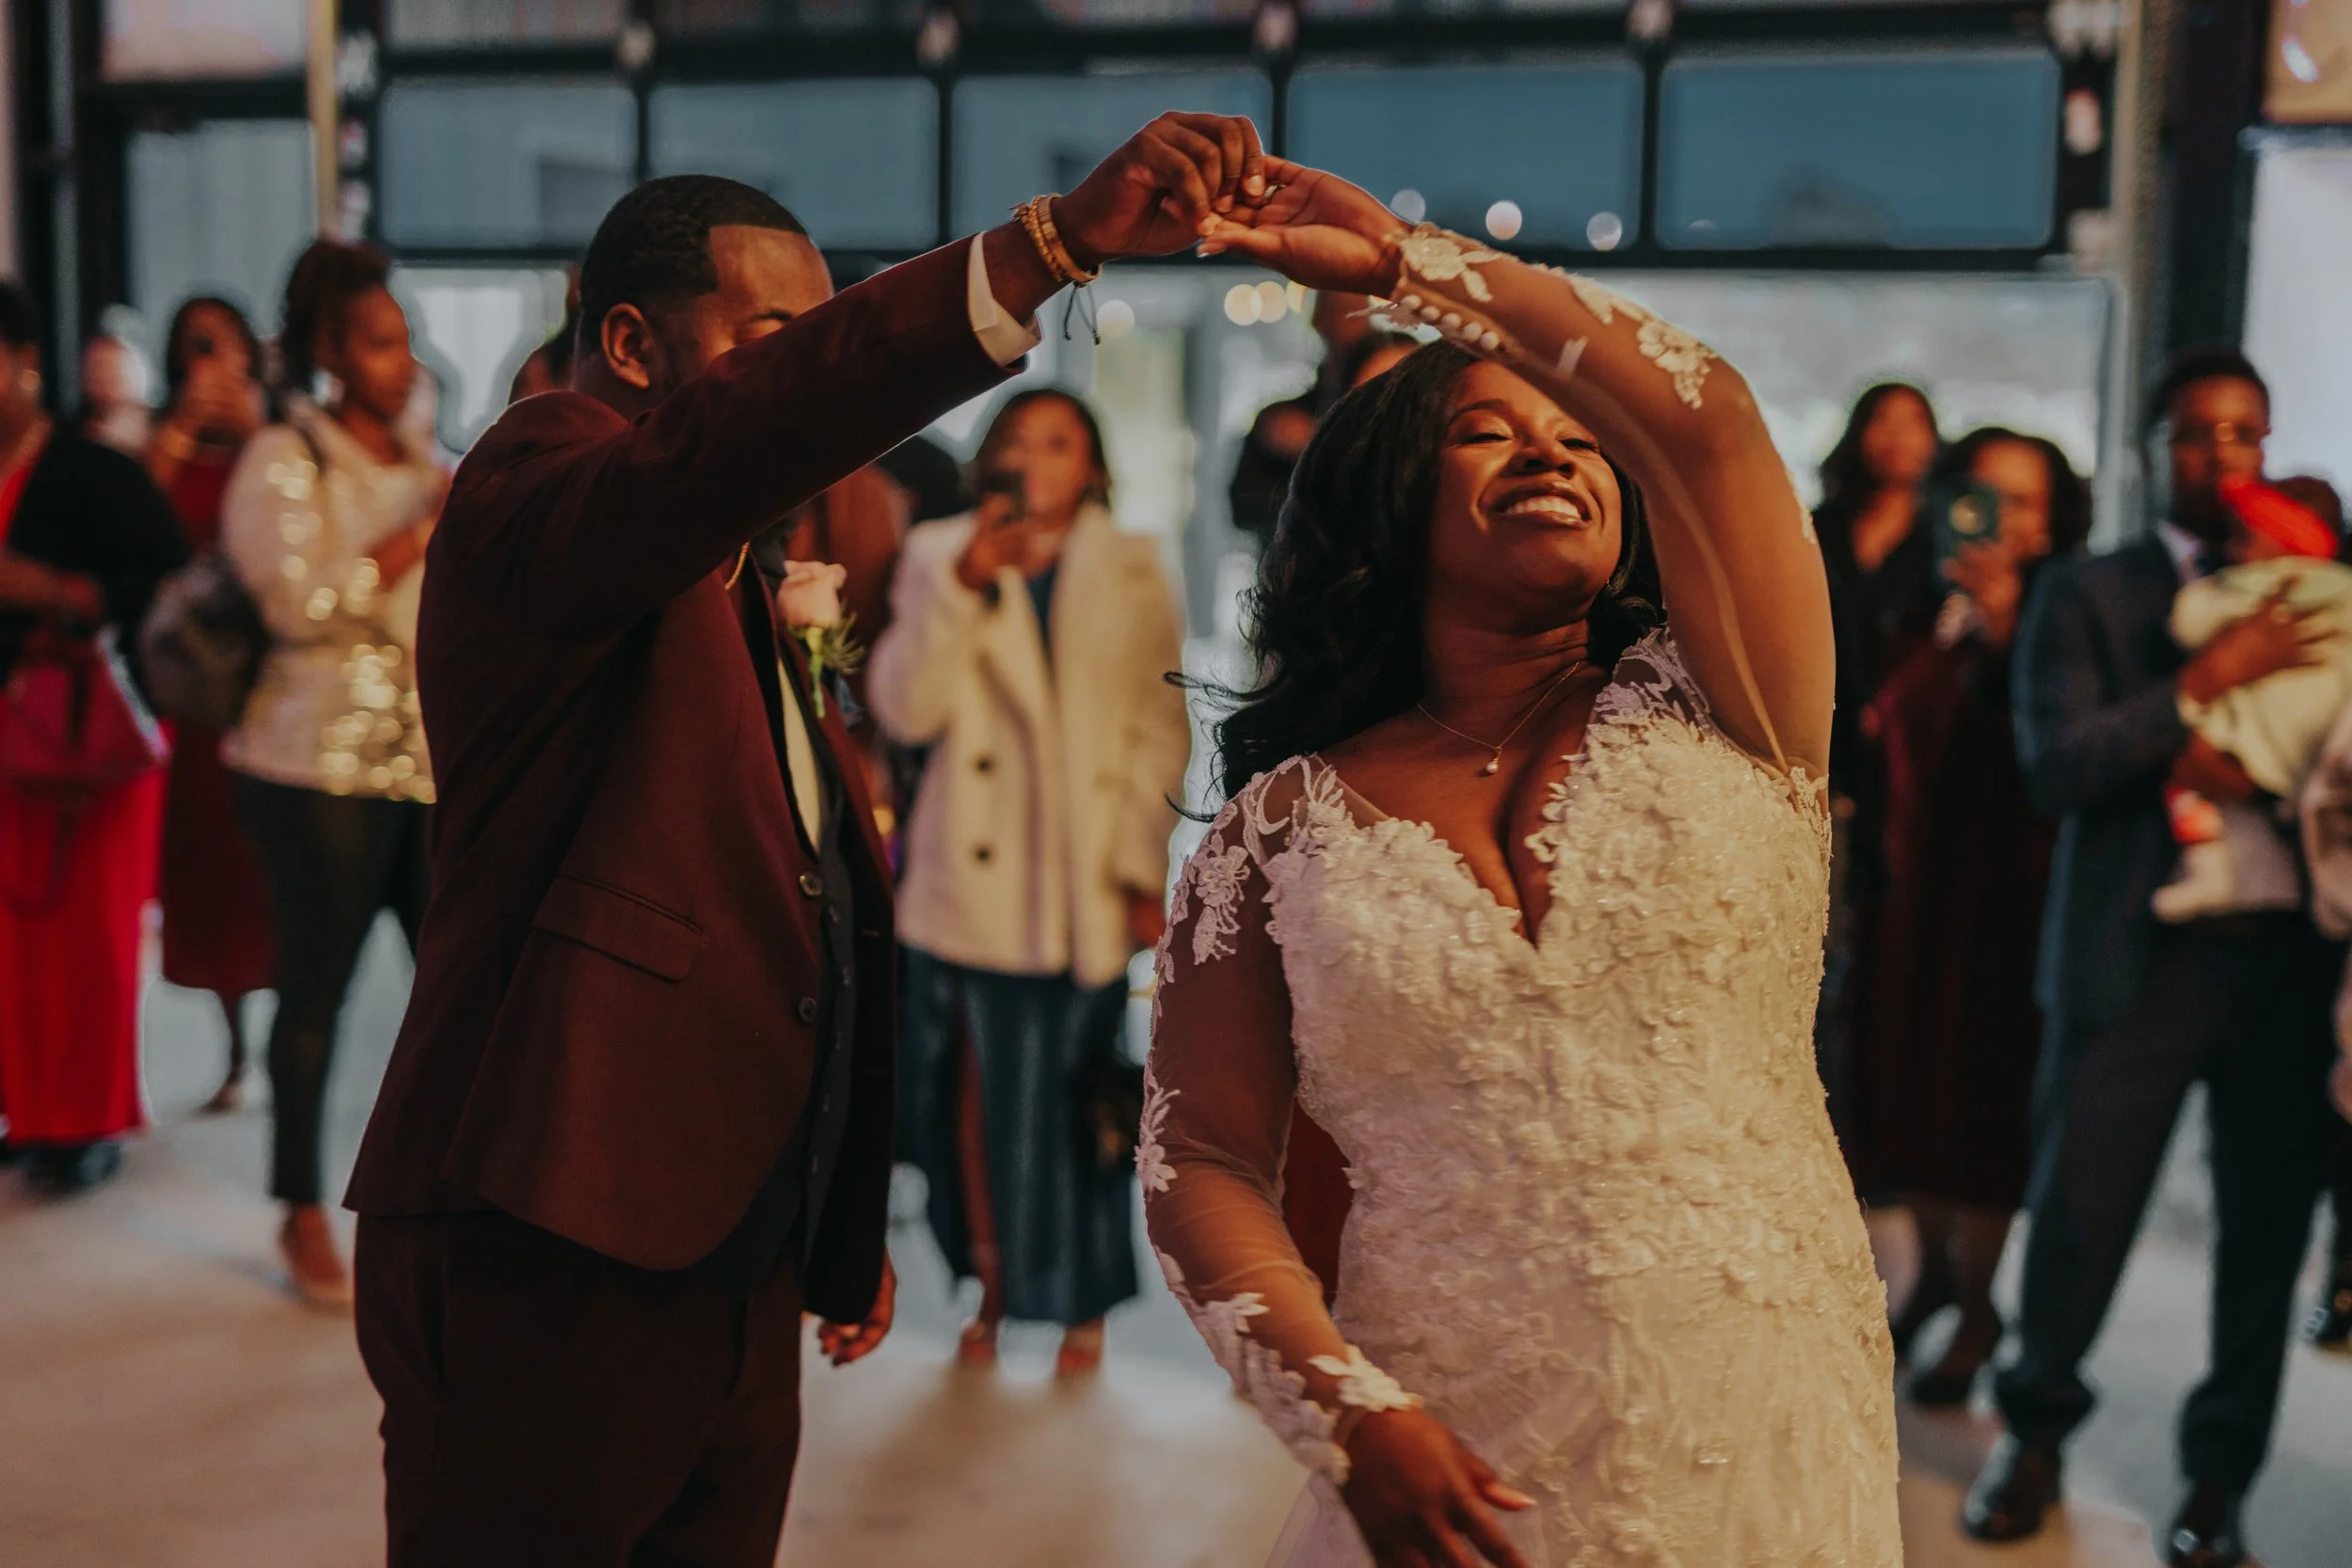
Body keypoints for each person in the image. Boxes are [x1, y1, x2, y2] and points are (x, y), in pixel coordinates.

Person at [342, 117, 1273, 1567]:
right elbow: (742, 437)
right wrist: (1046, 250)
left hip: (717, 1239)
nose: (803, 376)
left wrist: (826, 1220)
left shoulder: (731, 563)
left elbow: (790, 895)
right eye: (773, 339)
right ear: (636, 346)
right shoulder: (540, 474)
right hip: (547, 1221)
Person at [1142, 166, 1894, 1565]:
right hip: (1441, 1424)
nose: (1551, 455)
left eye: (1581, 441)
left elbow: (1711, 421)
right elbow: (1202, 1155)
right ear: (1390, 503)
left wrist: (1404, 264)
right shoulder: (1279, 825)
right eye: (1485, 435)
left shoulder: (1735, 702)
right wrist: (1342, 1406)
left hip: (1760, 1409)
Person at [1967, 349, 2340, 1568]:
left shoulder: (2319, 585)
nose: (2220, 456)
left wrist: (2281, 768)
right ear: (2152, 449)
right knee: (2078, 1214)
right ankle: (2033, 1434)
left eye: (2244, 434)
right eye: (2194, 434)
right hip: (2136, 954)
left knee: (2264, 1234)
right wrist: (2201, 693)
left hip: (2288, 963)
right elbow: (2058, 767)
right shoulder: (2089, 592)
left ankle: (2218, 1479)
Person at [870, 388, 1188, 1376]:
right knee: (961, 1101)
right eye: (1016, 438)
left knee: (1079, 1102)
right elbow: (904, 708)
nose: (1035, 458)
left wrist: (1144, 869)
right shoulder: (940, 553)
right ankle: (991, 1286)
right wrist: (962, 584)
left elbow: (1156, 729)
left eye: (1058, 442)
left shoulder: (1134, 568)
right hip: (971, 879)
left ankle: (1084, 1297)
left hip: (1083, 880)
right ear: (988, 458)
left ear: (1092, 465)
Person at [1845, 428, 2091, 1406]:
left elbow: (2054, 762)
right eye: (1985, 495)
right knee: (1909, 1088)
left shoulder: (2067, 614)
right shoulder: (1916, 601)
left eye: (2025, 501)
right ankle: (1939, 1271)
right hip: (1914, 891)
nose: (2003, 519)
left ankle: (1983, 1301)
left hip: (2008, 900)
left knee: (1982, 1101)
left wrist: (2006, 631)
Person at [220, 241, 444, 1307]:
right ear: (329, 350)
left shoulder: (415, 449)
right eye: (378, 341)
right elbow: (298, 605)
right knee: (315, 995)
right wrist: (417, 532)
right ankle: (303, 1206)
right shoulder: (281, 455)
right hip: (310, 758)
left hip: (425, 757)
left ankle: (452, 1201)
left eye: (403, 339)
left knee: (459, 985)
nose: (400, 360)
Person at [0, 280, 188, 1193]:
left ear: (24, 359)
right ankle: (22, 1107)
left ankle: (83, 1121)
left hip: (89, 747)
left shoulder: (95, 471)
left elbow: (169, 583)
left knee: (88, 947)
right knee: (8, 946)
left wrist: (62, 593)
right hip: (8, 742)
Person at [147, 295, 275, 1112]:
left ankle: (282, 1030)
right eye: (196, 347)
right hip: (193, 684)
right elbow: (136, 529)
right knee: (210, 865)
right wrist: (179, 433)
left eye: (225, 346)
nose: (212, 365)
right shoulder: (165, 443)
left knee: (267, 860)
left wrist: (256, 424)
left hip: (267, 673)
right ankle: (235, 1046)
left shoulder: (277, 440)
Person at [1811, 381, 1943, 1144]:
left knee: (1893, 956)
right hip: (1821, 753)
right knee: (1819, 954)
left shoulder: (1943, 538)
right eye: (1883, 420)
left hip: (1908, 767)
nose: (1897, 436)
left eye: (1914, 422)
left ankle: (1875, 1130)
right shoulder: (1816, 527)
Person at [78, 332, 153, 456]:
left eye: (113, 374)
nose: (103, 377)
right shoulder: (76, 427)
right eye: (96, 369)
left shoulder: (156, 430)